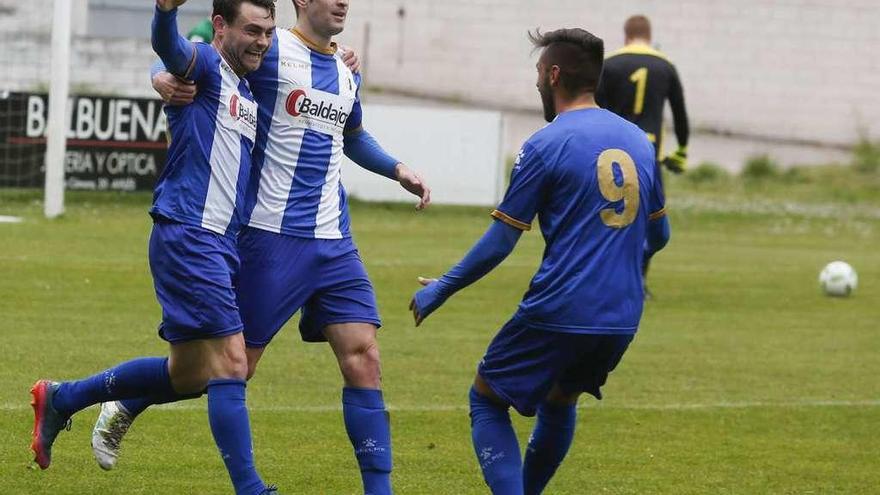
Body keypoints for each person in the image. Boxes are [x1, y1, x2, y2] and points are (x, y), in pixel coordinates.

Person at [91, 1, 430, 494]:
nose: (342, 3)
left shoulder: (345, 68)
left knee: (364, 357)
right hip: (268, 236)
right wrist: (157, 75)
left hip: (334, 240)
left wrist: (397, 169)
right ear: (302, 2)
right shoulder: (267, 48)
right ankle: (126, 400)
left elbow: (352, 135)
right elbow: (197, 49)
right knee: (224, 369)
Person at [30, 1, 277, 494]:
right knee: (232, 364)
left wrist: (341, 54)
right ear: (222, 27)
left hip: (221, 244)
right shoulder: (207, 65)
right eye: (253, 30)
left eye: (269, 32)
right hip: (190, 235)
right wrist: (165, 13)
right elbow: (171, 48)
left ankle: (61, 398)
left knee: (188, 376)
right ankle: (252, 489)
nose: (262, 41)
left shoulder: (249, 87)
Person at [410, 28, 670, 495]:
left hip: (561, 307)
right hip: (622, 316)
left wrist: (441, 287)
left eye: (537, 73)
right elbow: (660, 234)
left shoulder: (544, 145)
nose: (535, 84)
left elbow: (501, 241)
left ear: (553, 74)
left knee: (486, 399)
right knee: (559, 399)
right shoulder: (639, 142)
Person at [595, 14, 688, 298]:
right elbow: (680, 114)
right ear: (649, 35)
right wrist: (681, 152)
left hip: (612, 155)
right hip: (648, 154)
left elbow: (595, 108)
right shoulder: (666, 66)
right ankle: (639, 281)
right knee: (649, 220)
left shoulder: (609, 64)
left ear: (625, 36)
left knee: (606, 216)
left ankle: (601, 277)